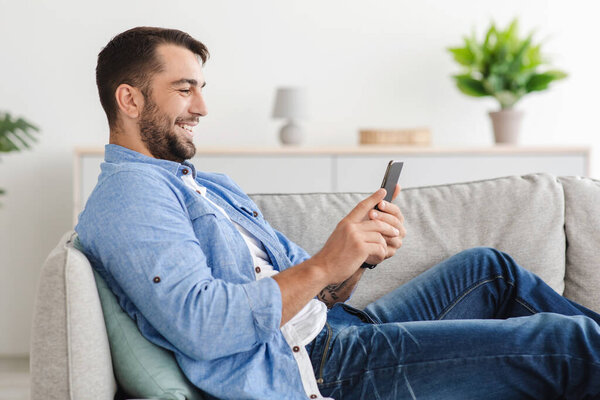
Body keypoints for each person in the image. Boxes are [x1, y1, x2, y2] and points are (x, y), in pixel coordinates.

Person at [76, 26, 600, 400]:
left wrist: (356, 257)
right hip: (323, 368)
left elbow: (321, 294)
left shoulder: (200, 184)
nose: (202, 108)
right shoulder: (131, 197)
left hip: (335, 328)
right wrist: (327, 263)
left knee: (490, 269)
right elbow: (203, 326)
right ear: (130, 99)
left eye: (201, 89)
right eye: (184, 89)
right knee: (569, 343)